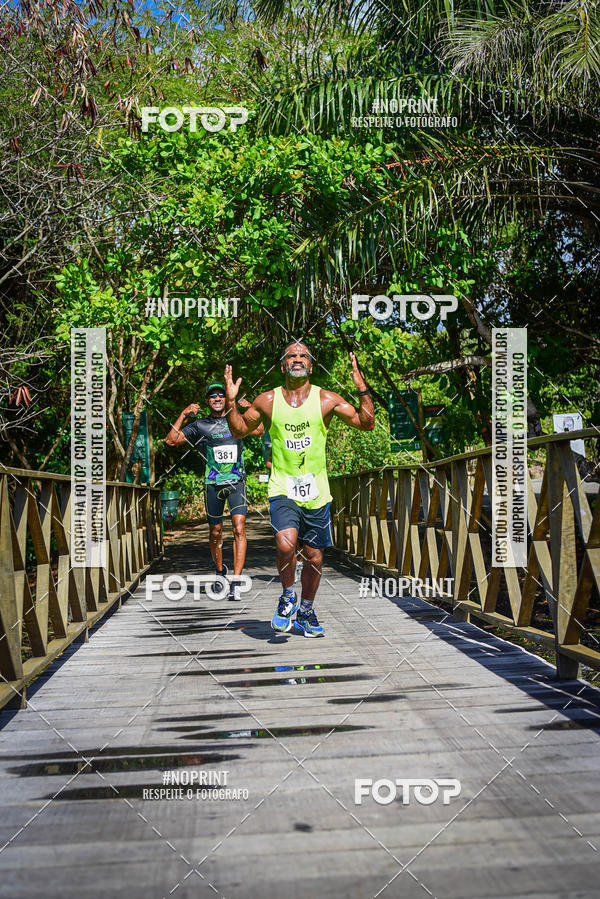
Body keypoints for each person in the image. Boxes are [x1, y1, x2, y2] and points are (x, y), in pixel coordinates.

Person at [224, 340, 374, 636]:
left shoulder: (327, 400)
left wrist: (362, 388)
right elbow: (239, 429)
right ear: (282, 365)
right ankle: (287, 595)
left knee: (315, 556)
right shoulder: (267, 400)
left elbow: (366, 423)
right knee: (285, 543)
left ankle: (306, 610)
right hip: (283, 487)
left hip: (317, 490)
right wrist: (231, 402)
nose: (297, 359)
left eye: (303, 355)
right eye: (291, 356)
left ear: (311, 365)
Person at [165, 381, 263, 600]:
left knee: (239, 528)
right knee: (216, 531)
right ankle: (220, 573)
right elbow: (171, 440)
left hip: (237, 482)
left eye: (221, 395)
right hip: (213, 485)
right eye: (213, 396)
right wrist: (183, 413)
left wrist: (247, 409)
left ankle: (236, 582)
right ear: (208, 401)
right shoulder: (200, 425)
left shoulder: (236, 421)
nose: (218, 398)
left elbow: (259, 431)